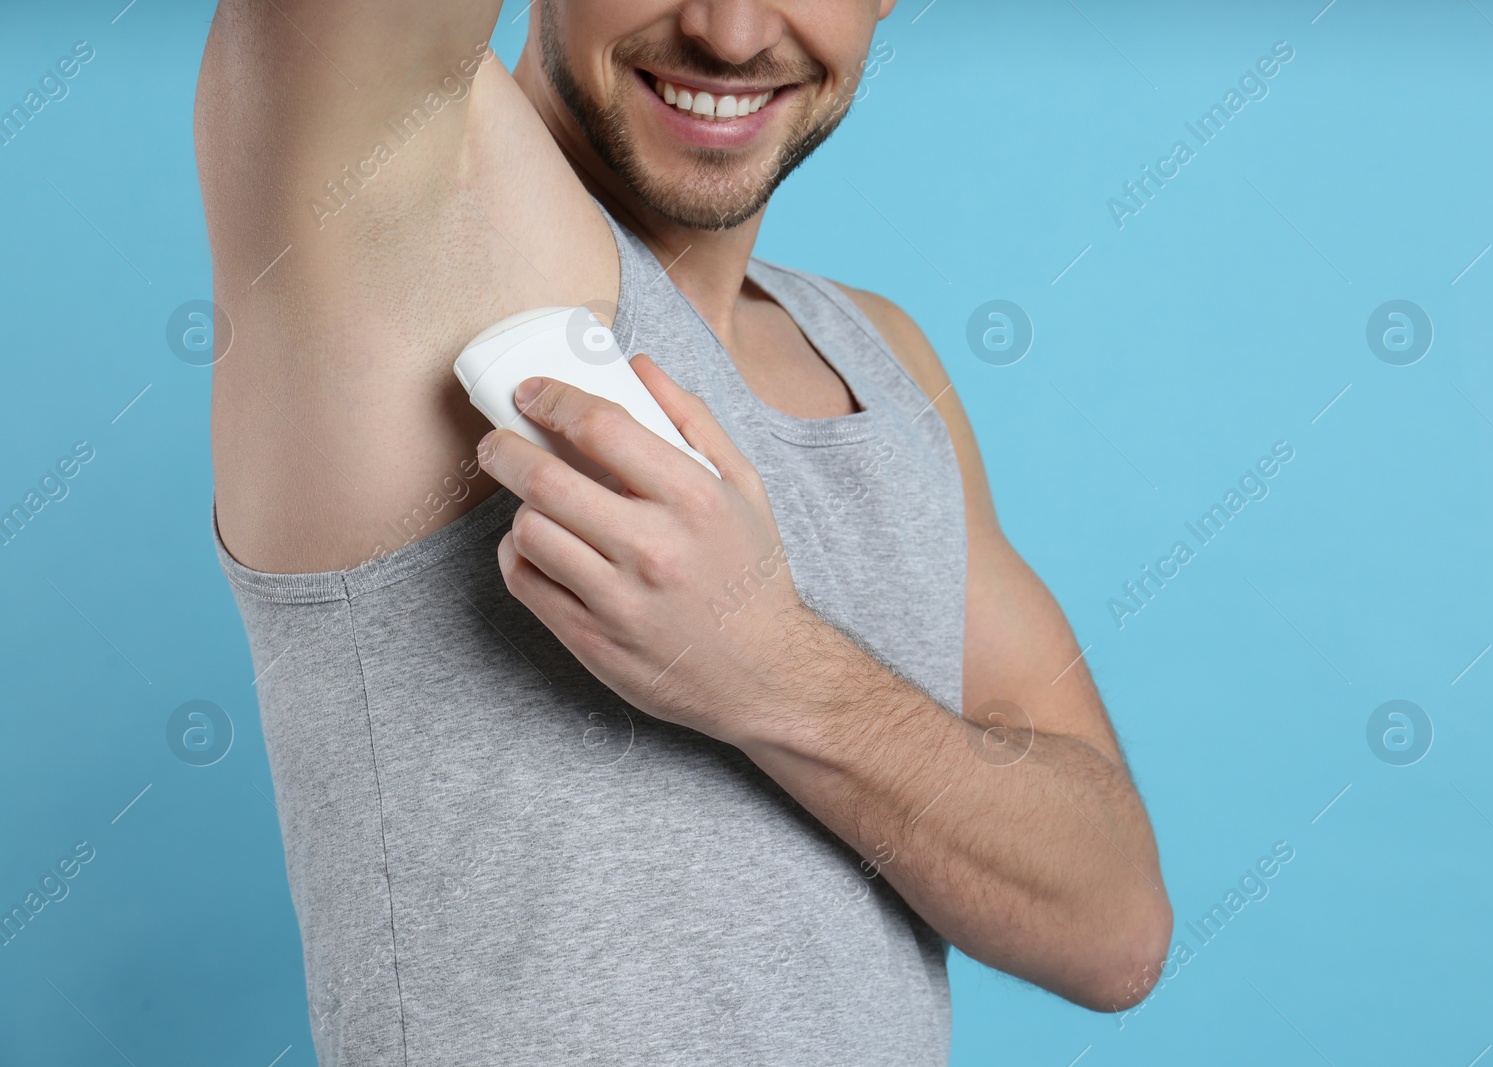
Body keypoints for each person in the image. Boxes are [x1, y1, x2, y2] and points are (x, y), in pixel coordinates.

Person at [196, 2, 1172, 1063]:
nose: (734, 31)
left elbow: (1113, 929)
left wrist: (772, 667)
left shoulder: (881, 360)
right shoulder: (410, 207)